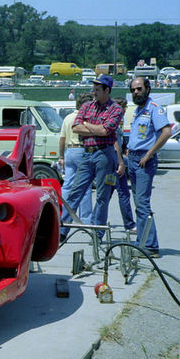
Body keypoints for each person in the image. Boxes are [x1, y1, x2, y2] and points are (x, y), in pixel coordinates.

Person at [59, 74, 124, 242]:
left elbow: (106, 131)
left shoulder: (116, 109)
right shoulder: (87, 106)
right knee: (75, 192)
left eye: (97, 89)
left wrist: (86, 125)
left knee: (103, 195)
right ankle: (62, 230)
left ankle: (97, 233)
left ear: (107, 90)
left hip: (105, 154)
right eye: (93, 89)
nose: (94, 92)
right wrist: (95, 127)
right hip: (87, 153)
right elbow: (76, 127)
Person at [125, 77, 172, 257]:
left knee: (143, 204)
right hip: (134, 158)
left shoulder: (154, 109)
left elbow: (167, 132)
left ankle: (150, 246)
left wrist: (149, 154)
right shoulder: (138, 110)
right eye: (133, 90)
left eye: (139, 89)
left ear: (148, 89)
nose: (136, 92)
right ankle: (142, 242)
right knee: (139, 204)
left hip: (144, 160)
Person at [58, 92, 94, 225]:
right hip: (81, 149)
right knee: (85, 185)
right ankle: (85, 218)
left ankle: (64, 216)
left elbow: (62, 138)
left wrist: (61, 155)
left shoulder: (67, 117)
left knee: (67, 184)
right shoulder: (85, 118)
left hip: (69, 150)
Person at [112, 98, 136, 233]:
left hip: (114, 161)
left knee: (105, 195)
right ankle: (129, 224)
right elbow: (115, 144)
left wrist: (125, 147)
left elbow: (120, 142)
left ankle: (97, 226)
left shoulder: (118, 123)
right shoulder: (114, 122)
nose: (125, 110)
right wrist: (121, 162)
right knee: (124, 194)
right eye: (124, 107)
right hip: (115, 162)